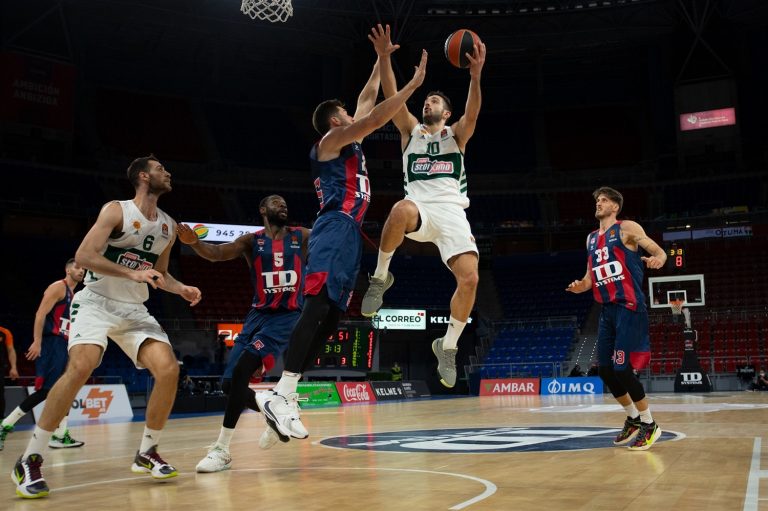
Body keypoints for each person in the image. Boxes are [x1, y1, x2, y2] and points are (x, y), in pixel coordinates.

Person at [254, 30, 428, 442]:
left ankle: (286, 394)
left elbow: (367, 98)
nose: (353, 114)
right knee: (316, 308)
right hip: (333, 227)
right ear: (336, 121)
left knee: (332, 319)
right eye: (346, 113)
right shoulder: (330, 142)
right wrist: (411, 87)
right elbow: (372, 116)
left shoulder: (348, 138)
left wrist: (380, 57)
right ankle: (282, 391)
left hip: (350, 233)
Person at [11, 155, 202, 499]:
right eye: (160, 168)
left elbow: (159, 273)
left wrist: (180, 288)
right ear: (143, 176)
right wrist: (132, 273)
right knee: (81, 366)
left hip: (134, 309)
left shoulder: (168, 226)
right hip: (96, 302)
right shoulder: (116, 210)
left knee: (169, 370)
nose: (168, 172)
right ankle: (29, 457)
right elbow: (83, 256)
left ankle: (147, 451)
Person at [360, 25, 486, 389]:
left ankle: (446, 346)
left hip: (451, 213)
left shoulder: (456, 135)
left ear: (447, 113)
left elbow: (473, 114)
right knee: (399, 209)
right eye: (426, 101)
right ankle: (381, 277)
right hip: (419, 207)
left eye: (435, 102)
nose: (427, 104)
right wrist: (385, 58)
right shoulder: (409, 131)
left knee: (471, 279)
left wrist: (475, 76)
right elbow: (391, 95)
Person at [177, 195, 311, 472]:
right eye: (276, 202)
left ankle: (221, 450)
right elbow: (216, 254)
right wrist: (195, 244)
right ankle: (271, 412)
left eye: (286, 202)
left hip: (286, 317)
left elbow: (332, 242)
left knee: (241, 373)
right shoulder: (252, 241)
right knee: (229, 385)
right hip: (256, 316)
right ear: (262, 209)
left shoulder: (303, 236)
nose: (283, 205)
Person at [566, 186, 666, 451]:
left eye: (604, 200)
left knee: (622, 368)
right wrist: (581, 286)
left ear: (615, 207)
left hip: (629, 306)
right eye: (597, 200)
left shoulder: (627, 228)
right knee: (606, 371)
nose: (599, 203)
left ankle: (649, 423)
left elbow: (658, 251)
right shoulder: (590, 239)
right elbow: (589, 278)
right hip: (607, 310)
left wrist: (659, 259)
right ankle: (633, 418)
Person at [1, 259, 86, 451]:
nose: (81, 271)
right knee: (47, 391)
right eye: (78, 267)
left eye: (84, 269)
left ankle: (60, 435)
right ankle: (5, 424)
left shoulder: (74, 295)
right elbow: (40, 314)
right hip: (51, 343)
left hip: (63, 344)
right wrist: (37, 341)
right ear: (67, 269)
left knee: (66, 389)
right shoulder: (58, 287)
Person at [0, 326, 19, 439]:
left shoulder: (5, 332)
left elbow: (10, 350)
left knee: (0, 396)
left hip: (0, 369)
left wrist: (13, 367)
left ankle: (2, 423)